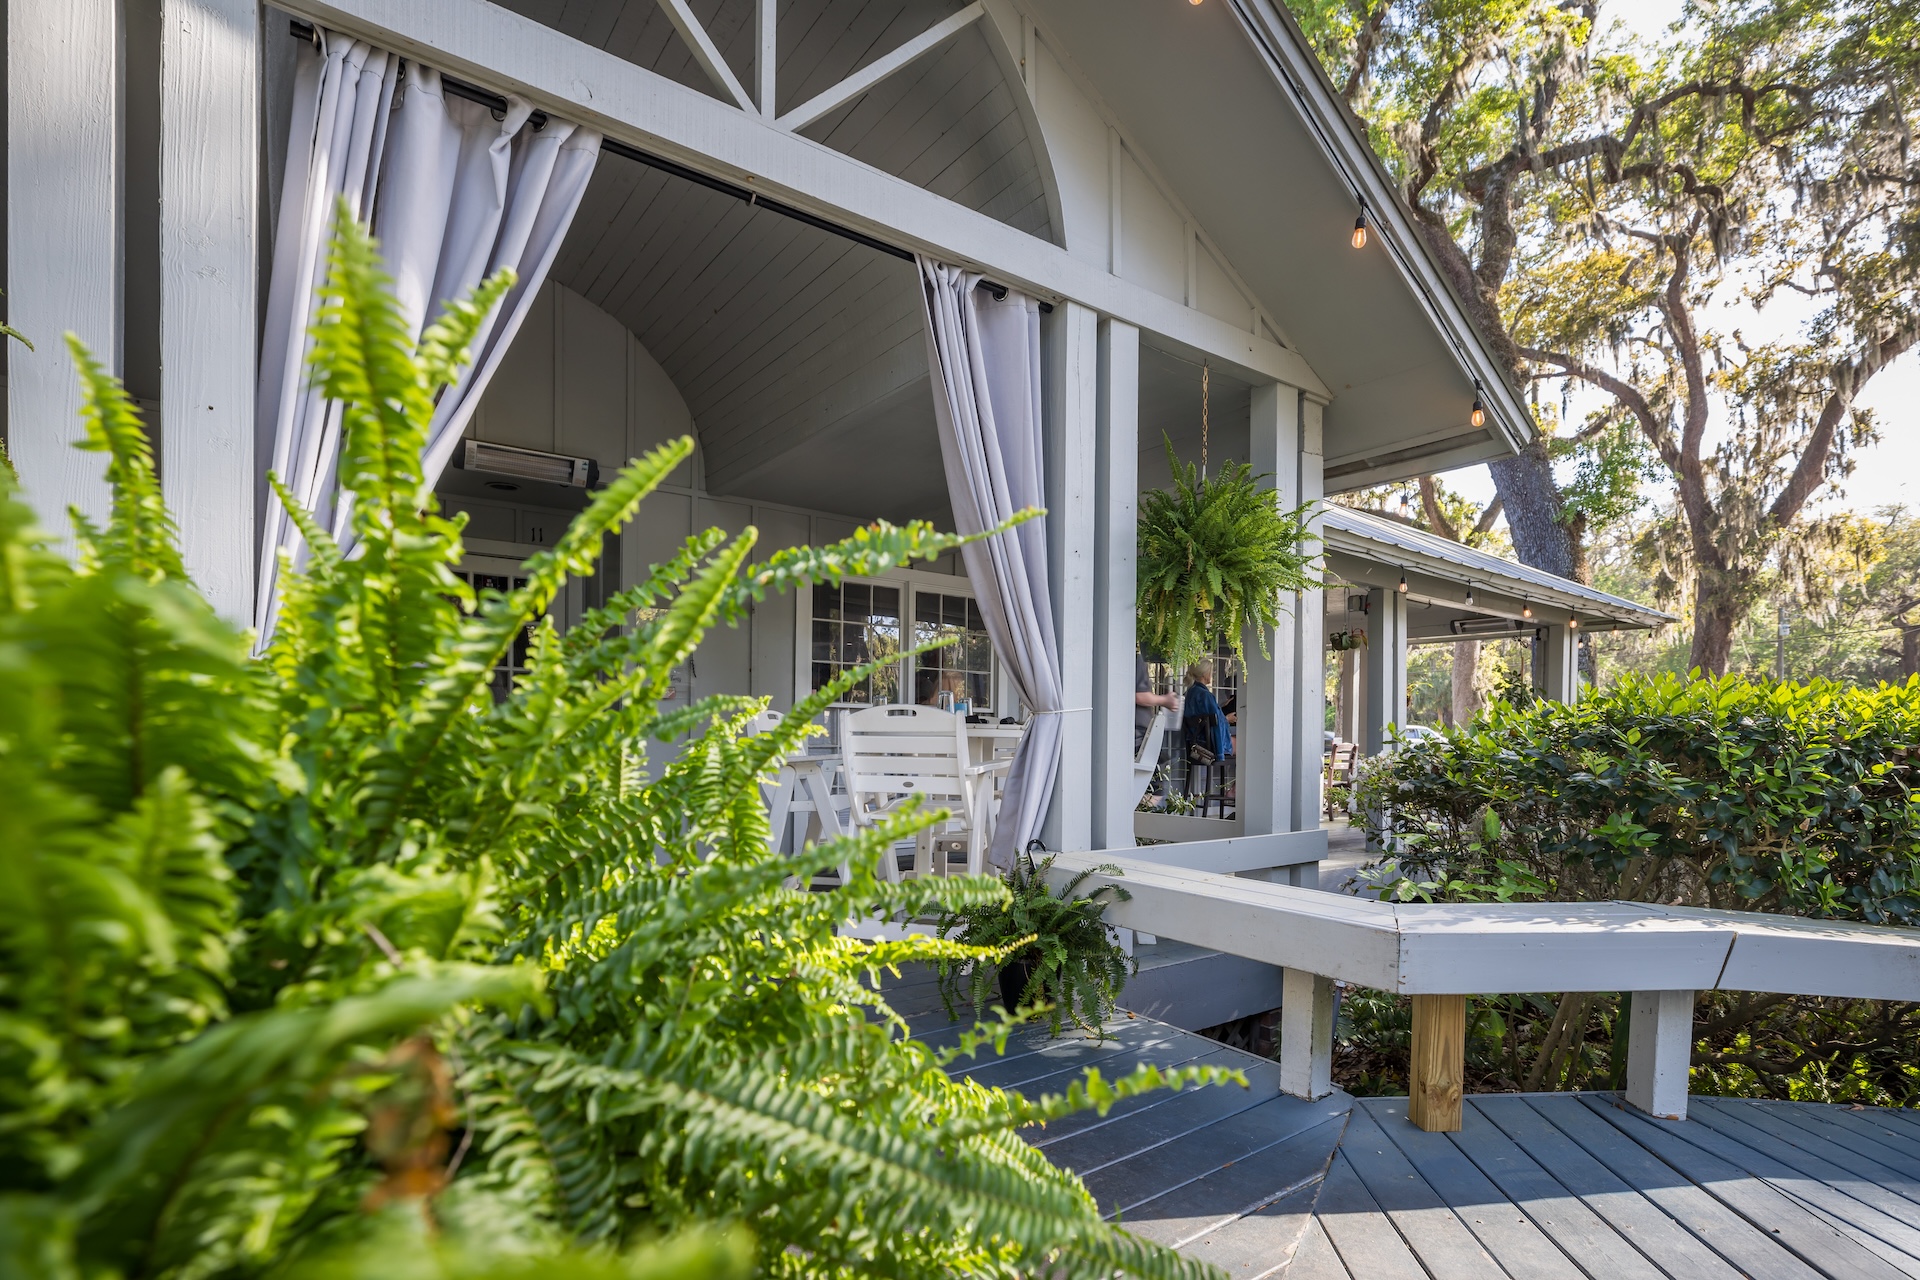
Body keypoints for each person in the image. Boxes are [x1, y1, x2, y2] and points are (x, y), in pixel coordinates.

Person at [1135, 650, 1180, 753]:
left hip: (1136, 732)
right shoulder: (1137, 657)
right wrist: (1165, 700)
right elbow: (1139, 696)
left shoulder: (1130, 657)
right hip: (1137, 734)